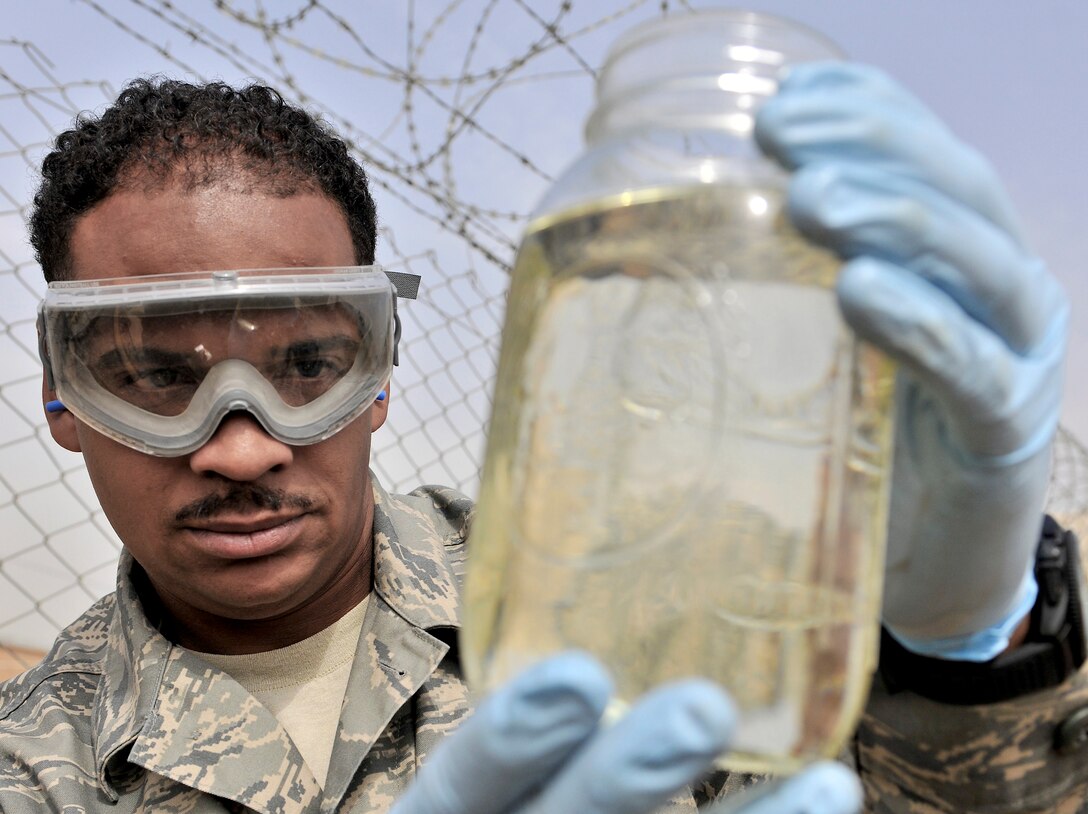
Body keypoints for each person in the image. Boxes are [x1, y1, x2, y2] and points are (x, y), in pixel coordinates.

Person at [0, 53, 1081, 813]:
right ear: (62, 399)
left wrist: (970, 658)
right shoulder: (29, 770)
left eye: (307, 366)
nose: (240, 448)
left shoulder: (647, 605)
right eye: (149, 377)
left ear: (378, 375)